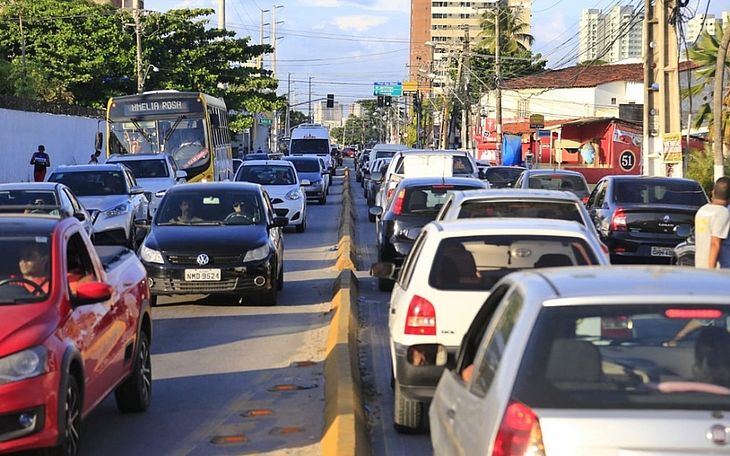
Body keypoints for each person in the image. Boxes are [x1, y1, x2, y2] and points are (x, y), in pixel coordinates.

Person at [694, 177, 730, 269]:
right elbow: (715, 244)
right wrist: (712, 272)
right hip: (719, 270)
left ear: (713, 192)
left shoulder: (703, 210)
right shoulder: (722, 213)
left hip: (700, 265)